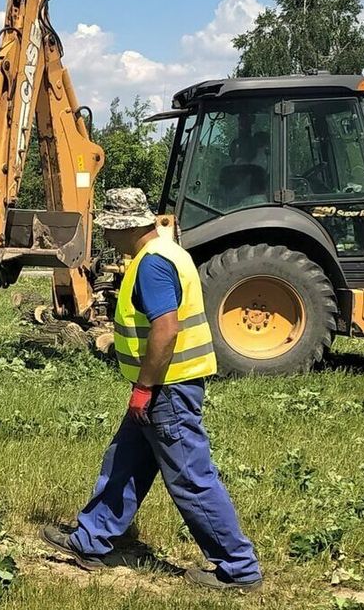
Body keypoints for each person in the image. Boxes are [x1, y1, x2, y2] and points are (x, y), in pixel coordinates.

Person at [39, 188, 263, 592]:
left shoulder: (153, 265)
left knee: (191, 478)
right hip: (165, 386)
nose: (106, 236)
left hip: (166, 389)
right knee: (126, 461)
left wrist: (144, 387)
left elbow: (166, 328)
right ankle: (91, 539)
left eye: (110, 228)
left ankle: (238, 567)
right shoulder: (168, 251)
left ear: (129, 228)